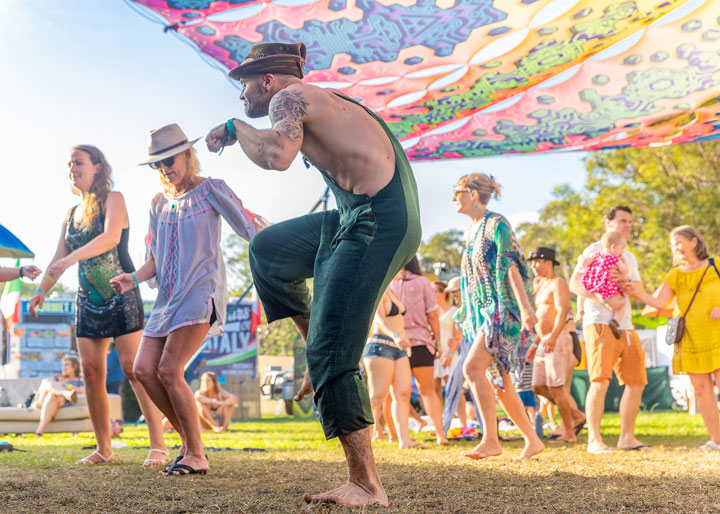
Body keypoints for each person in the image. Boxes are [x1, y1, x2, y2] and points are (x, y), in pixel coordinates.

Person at [205, 42, 420, 507]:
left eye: (243, 84)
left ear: (267, 81)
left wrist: (233, 128)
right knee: (268, 248)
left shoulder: (290, 98)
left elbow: (277, 156)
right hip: (356, 214)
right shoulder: (325, 102)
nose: (240, 94)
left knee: (331, 350)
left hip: (378, 218)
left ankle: (366, 483)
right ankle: (314, 343)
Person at [111, 123, 263, 477]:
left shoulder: (212, 189)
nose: (165, 168)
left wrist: (281, 254)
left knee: (169, 368)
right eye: (157, 163)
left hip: (200, 292)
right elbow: (153, 260)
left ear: (187, 154)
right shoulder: (157, 202)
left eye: (169, 159)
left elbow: (249, 228)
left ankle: (196, 454)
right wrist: (132, 278)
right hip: (166, 299)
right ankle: (191, 444)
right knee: (143, 369)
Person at [29, 145, 169, 467]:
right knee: (92, 373)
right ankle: (104, 449)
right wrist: (41, 290)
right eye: (69, 164)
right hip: (86, 300)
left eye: (78, 162)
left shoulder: (114, 199)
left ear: (97, 166)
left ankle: (158, 446)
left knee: (135, 368)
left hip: (121, 292)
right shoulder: (70, 214)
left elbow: (108, 239)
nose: (72, 168)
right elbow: (57, 258)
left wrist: (69, 259)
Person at [453, 173, 544, 460]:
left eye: (457, 191)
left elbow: (511, 267)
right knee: (499, 381)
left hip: (501, 311)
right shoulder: (472, 229)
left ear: (473, 193)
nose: (454, 197)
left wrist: (527, 309)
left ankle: (491, 439)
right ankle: (532, 439)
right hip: (483, 313)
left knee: (472, 369)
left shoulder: (497, 224)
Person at [625, 226, 720, 450]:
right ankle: (716, 440)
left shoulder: (716, 266)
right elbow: (660, 304)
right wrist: (636, 292)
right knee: (702, 390)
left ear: (694, 242)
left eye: (678, 243)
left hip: (717, 335)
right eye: (673, 245)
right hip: (690, 339)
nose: (676, 249)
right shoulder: (674, 274)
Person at [569, 205, 651, 453]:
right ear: (608, 223)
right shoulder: (593, 250)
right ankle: (594, 440)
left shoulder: (629, 256)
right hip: (599, 323)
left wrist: (625, 281)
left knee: (636, 381)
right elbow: (575, 285)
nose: (628, 225)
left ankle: (627, 438)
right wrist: (603, 299)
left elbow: (635, 287)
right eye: (623, 221)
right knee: (600, 381)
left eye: (630, 221)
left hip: (625, 326)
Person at [527, 247, 585, 443]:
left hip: (559, 338)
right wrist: (535, 344)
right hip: (544, 340)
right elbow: (543, 318)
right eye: (532, 263)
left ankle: (569, 432)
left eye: (537, 262)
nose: (533, 266)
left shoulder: (558, 283)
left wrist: (553, 335)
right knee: (538, 386)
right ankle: (576, 415)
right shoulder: (542, 286)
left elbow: (561, 312)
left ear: (548, 263)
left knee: (557, 387)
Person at [391, 258, 447, 446]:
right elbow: (432, 314)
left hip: (396, 342)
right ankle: (440, 435)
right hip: (421, 341)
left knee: (399, 394)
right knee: (428, 391)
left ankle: (399, 435)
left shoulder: (388, 283)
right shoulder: (423, 283)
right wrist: (437, 343)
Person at [361, 286, 423, 448]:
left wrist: (403, 338)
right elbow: (379, 318)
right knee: (377, 396)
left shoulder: (391, 290)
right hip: (380, 345)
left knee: (402, 394)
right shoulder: (378, 288)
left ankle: (404, 440)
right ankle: (354, 434)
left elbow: (397, 322)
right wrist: (396, 336)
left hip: (398, 348)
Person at [578, 231, 630, 337]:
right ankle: (615, 322)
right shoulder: (615, 258)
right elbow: (624, 271)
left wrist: (580, 258)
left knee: (582, 294)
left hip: (595, 286)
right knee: (622, 303)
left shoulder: (597, 255)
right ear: (614, 246)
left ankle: (580, 311)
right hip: (607, 288)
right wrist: (624, 260)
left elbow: (584, 263)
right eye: (622, 248)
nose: (622, 251)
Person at [433, 279, 467, 429]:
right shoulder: (433, 311)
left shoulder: (454, 311)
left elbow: (458, 336)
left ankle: (464, 423)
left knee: (454, 388)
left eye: (434, 291)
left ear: (443, 293)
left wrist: (450, 355)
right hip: (436, 355)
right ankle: (440, 424)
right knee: (435, 391)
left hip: (450, 355)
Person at [32, 356, 85, 436]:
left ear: (75, 367)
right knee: (47, 382)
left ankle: (39, 432)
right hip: (41, 401)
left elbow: (84, 390)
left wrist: (68, 386)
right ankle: (65, 393)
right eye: (63, 365)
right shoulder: (57, 377)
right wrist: (63, 389)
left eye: (66, 365)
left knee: (52, 395)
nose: (63, 367)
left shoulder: (79, 380)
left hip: (60, 402)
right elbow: (44, 385)